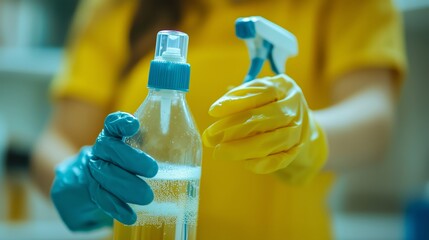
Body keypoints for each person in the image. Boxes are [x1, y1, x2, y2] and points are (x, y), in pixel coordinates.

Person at [30, 0, 406, 239]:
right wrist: (83, 177)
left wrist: (309, 135)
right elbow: (57, 138)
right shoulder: (116, 8)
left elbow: (373, 119)